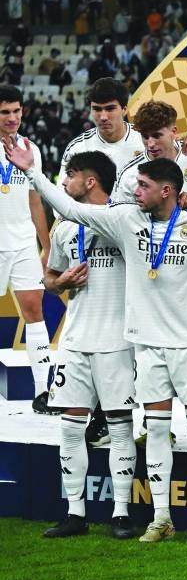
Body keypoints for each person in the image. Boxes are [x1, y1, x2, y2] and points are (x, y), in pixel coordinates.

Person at [10, 145, 187, 543]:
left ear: (166, 190)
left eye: (143, 185)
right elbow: (73, 211)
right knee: (157, 431)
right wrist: (32, 174)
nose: (134, 190)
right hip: (147, 346)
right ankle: (161, 517)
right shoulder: (126, 218)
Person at [41, 151, 137, 540]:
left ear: (91, 181)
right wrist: (62, 281)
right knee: (70, 427)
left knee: (119, 429)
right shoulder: (64, 229)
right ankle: (75, 513)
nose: (65, 182)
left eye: (71, 176)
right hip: (76, 340)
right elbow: (48, 277)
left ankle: (121, 514)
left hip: (117, 341)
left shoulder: (122, 223)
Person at [0, 85, 53, 415]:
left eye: (17, 111)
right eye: (5, 112)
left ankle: (44, 391)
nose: (13, 118)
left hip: (22, 244)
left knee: (34, 312)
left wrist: (46, 245)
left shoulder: (31, 148)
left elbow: (35, 200)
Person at [112, 100, 187, 203]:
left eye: (156, 136)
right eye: (145, 137)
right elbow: (123, 216)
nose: (150, 144)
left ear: (173, 132)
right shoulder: (129, 174)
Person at [59, 78, 143, 182]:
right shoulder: (78, 148)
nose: (103, 117)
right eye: (97, 109)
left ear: (124, 110)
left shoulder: (145, 140)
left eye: (110, 109)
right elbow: (63, 194)